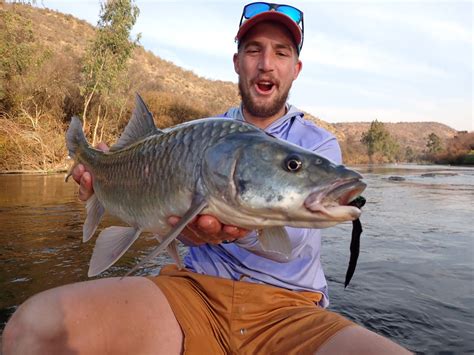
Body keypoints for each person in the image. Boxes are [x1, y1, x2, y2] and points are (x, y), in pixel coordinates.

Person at [2, 3, 411, 354]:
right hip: (193, 292)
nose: (266, 63)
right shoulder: (202, 133)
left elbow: (292, 241)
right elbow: (166, 217)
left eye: (281, 52)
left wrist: (236, 228)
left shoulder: (319, 146)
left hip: (290, 309)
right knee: (32, 330)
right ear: (238, 62)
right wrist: (103, 180)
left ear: (295, 68)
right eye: (254, 50)